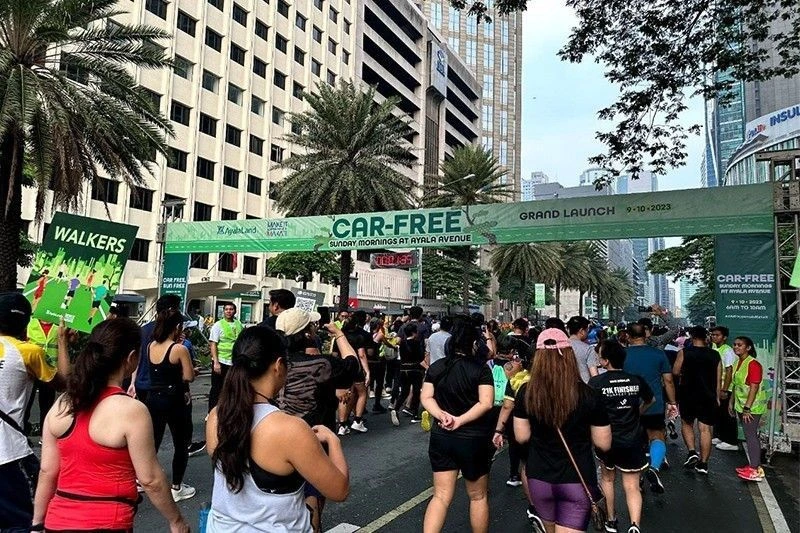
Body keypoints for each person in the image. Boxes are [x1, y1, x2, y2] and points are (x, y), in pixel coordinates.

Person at [32, 318, 190, 532]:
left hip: (57, 521)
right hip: (107, 522)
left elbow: (48, 471)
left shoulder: (63, 404)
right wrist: (177, 521)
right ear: (132, 358)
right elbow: (150, 479)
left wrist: (37, 524)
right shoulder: (131, 410)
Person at [206, 326, 349, 531]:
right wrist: (333, 440)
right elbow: (339, 490)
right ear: (279, 365)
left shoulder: (216, 416)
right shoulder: (290, 429)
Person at [513, 327, 612, 533]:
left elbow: (521, 437)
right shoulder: (589, 395)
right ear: (569, 356)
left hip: (539, 477)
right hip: (577, 478)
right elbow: (603, 443)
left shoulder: (526, 393)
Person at [0, 293, 68, 531]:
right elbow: (64, 383)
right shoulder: (28, 351)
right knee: (25, 521)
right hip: (8, 455)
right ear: (25, 322)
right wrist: (62, 341)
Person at [420, 316, 495, 533]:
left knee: (441, 496)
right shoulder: (480, 369)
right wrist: (460, 420)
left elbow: (426, 398)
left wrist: (442, 416)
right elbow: (486, 402)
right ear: (474, 343)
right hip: (474, 439)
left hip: (442, 436)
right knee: (478, 496)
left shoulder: (437, 366)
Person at [590, 341, 655, 533]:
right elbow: (651, 400)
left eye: (600, 355)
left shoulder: (596, 383)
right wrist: (638, 412)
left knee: (608, 479)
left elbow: (589, 410)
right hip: (633, 438)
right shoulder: (636, 380)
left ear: (606, 361)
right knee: (632, 485)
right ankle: (635, 525)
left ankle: (611, 519)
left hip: (606, 440)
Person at [145, 308, 197, 500]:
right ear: (176, 327)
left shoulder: (150, 346)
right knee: (180, 443)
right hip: (175, 400)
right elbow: (189, 376)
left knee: (153, 442)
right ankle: (177, 486)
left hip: (153, 399)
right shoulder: (179, 349)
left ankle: (146, 480)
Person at [622, 323, 677, 493]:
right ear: (646, 335)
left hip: (629, 404)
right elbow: (668, 381)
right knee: (657, 437)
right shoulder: (658, 354)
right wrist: (672, 402)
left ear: (627, 336)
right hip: (654, 403)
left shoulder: (622, 354)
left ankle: (637, 477)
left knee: (636, 440)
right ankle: (653, 467)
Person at [672, 326, 721, 475]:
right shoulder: (715, 355)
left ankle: (692, 451)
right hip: (708, 395)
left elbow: (675, 371)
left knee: (687, 423)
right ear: (706, 338)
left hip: (688, 394)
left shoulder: (684, 353)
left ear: (692, 338)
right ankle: (704, 464)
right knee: (705, 429)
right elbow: (718, 378)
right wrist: (717, 397)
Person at [129, 293, 182, 402]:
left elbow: (137, 358)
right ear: (172, 310)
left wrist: (133, 382)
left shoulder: (143, 329)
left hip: (142, 384)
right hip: (162, 388)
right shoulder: (171, 332)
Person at [729, 336, 768, 482]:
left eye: (740, 345)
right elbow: (736, 385)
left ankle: (755, 470)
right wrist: (731, 402)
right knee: (748, 435)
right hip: (741, 405)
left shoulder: (753, 364)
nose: (736, 347)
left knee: (751, 436)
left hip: (752, 408)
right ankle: (753, 465)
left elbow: (754, 386)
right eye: (735, 345)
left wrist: (747, 408)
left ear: (748, 348)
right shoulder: (738, 362)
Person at [334, 310, 371, 434]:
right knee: (362, 392)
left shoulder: (340, 336)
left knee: (344, 396)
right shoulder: (359, 336)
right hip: (356, 368)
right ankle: (357, 420)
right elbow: (362, 355)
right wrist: (367, 371)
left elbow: (334, 354)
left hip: (342, 368)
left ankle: (342, 424)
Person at [209, 303, 244, 411]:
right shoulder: (218, 325)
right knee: (217, 389)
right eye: (226, 309)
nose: (229, 311)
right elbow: (213, 344)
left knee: (233, 388)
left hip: (234, 361)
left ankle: (229, 410)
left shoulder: (239, 324)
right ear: (223, 311)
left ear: (235, 311)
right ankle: (212, 411)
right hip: (221, 361)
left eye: (231, 309)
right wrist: (216, 362)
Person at [710, 326, 739, 451]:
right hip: (718, 387)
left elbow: (729, 371)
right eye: (713, 334)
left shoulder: (727, 351)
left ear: (724, 337)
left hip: (726, 388)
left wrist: (725, 390)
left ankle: (731, 441)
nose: (714, 337)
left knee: (728, 415)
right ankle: (721, 436)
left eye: (717, 335)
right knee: (720, 413)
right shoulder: (715, 347)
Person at [391, 322, 426, 426]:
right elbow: (420, 358)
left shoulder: (402, 343)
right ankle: (415, 414)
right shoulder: (417, 343)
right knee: (416, 391)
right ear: (414, 332)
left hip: (403, 369)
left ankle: (396, 408)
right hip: (415, 369)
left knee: (405, 391)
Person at [567, 316, 599, 383]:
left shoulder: (560, 347)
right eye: (587, 330)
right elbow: (595, 376)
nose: (588, 333)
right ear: (581, 331)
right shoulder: (588, 349)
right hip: (583, 388)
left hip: (565, 389)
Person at [367, 317, 388, 413]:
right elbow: (387, 344)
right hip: (378, 361)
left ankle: (362, 406)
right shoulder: (380, 335)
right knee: (379, 383)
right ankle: (377, 404)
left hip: (368, 362)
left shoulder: (367, 334)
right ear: (379, 325)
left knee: (367, 383)